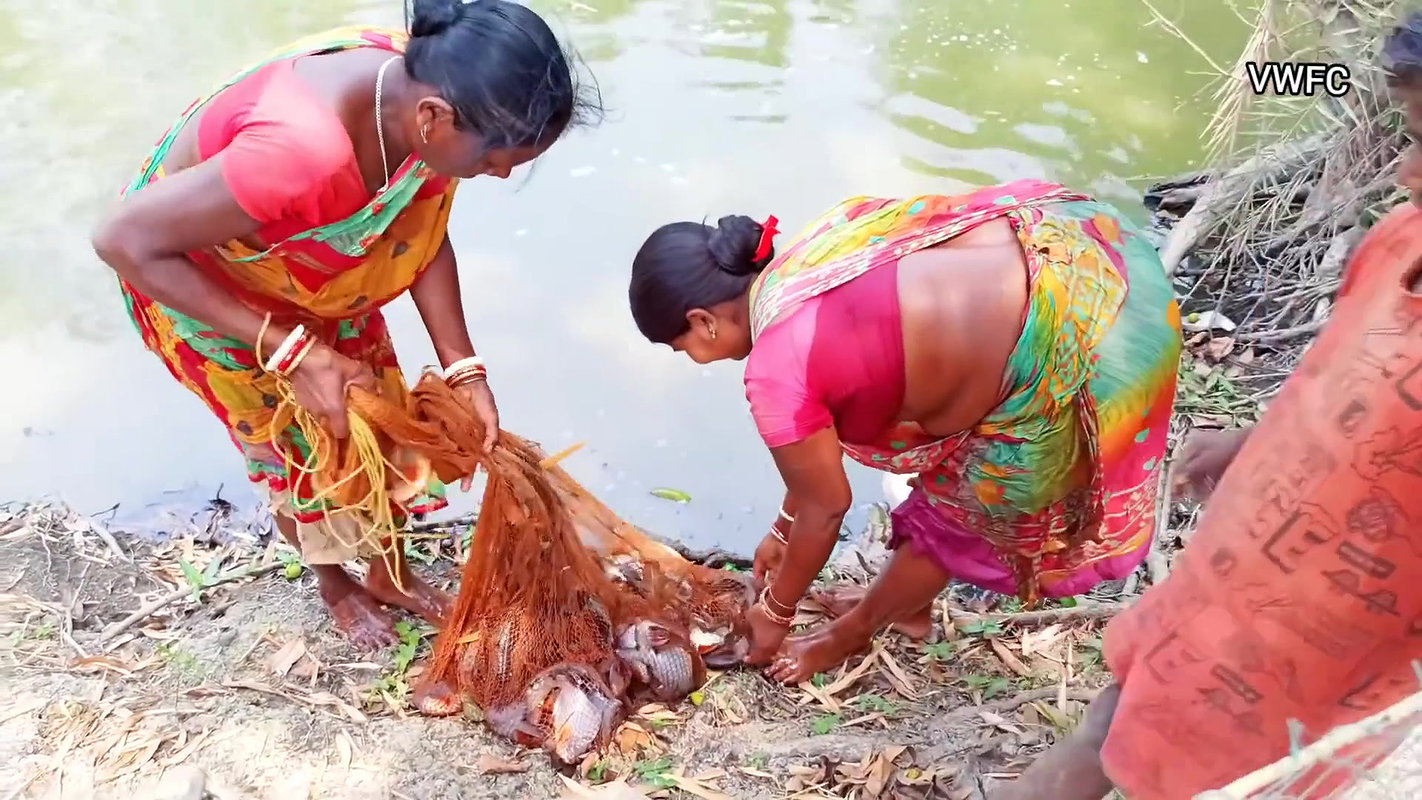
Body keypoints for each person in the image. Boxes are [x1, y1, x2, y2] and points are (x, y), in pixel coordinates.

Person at [992, 16, 1422, 800]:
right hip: (1233, 589)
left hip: (1341, 659)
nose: (1404, 172)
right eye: (1412, 137)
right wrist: (1259, 441)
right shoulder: (1399, 242)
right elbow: (1337, 379)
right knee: (1119, 719)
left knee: (1243, 776)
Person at [91, 0, 601, 649]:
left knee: (368, 415)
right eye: (495, 158)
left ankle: (390, 572)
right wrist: (289, 351)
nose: (501, 174)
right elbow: (122, 241)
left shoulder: (429, 95)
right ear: (433, 119)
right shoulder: (297, 151)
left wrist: (464, 369)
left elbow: (421, 237)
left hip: (312, 265)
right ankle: (335, 582)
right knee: (294, 443)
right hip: (201, 279)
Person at [627, 180, 1183, 682]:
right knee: (954, 468)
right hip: (1082, 243)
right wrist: (781, 528)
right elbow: (812, 473)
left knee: (959, 519)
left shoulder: (775, 373)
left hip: (1092, 339)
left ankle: (847, 637)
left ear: (703, 320)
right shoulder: (813, 253)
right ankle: (907, 607)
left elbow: (827, 508)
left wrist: (773, 615)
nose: (695, 359)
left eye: (684, 348)